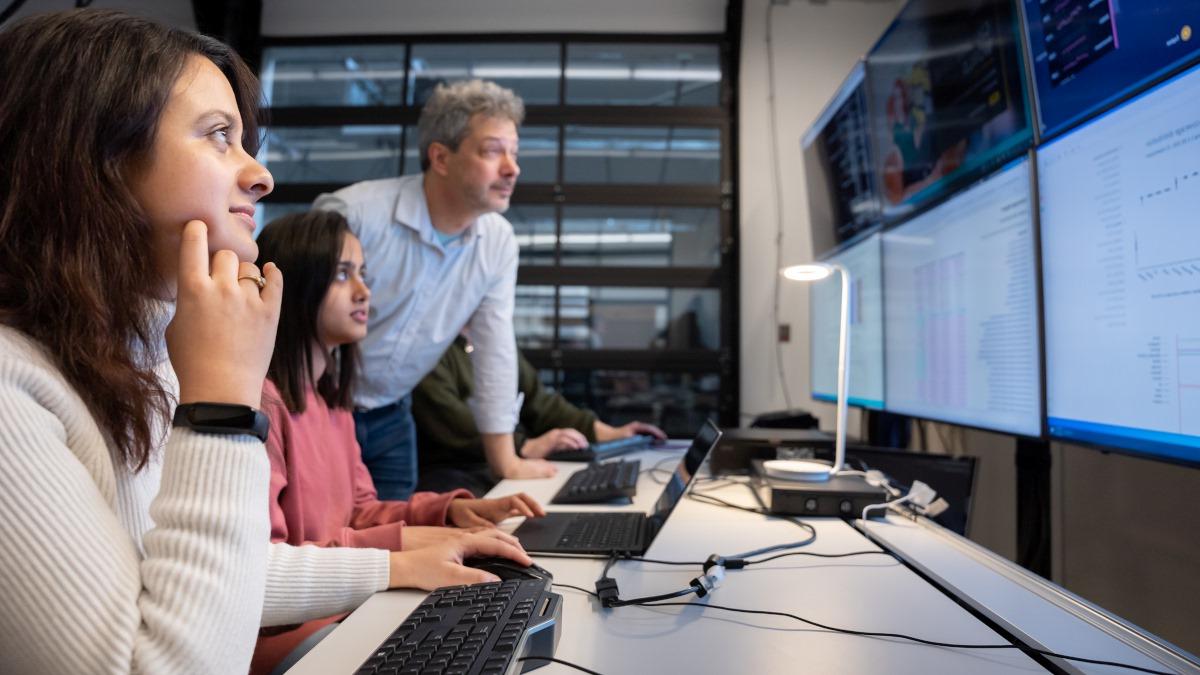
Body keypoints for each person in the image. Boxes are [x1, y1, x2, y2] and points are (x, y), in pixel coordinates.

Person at [0, 11, 528, 674]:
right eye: (219, 137)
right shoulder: (15, 389)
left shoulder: (144, 361)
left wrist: (397, 564)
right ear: (93, 161)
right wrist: (220, 406)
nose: (261, 175)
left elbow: (217, 568)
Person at [250, 210, 546, 672]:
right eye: (342, 274)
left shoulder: (333, 402)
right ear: (299, 285)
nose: (364, 291)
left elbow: (360, 512)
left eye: (362, 274)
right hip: (292, 632)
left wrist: (446, 513)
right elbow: (267, 573)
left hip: (353, 604)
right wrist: (421, 543)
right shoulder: (263, 405)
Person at [315, 79, 555, 500]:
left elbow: (494, 349)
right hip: (317, 407)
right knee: (315, 535)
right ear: (441, 157)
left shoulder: (497, 241)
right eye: (492, 150)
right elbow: (298, 323)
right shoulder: (355, 214)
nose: (512, 168)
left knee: (389, 534)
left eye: (514, 152)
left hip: (392, 415)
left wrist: (507, 463)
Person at [414, 335, 667, 495]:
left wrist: (613, 434)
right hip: (453, 470)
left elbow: (539, 401)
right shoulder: (430, 348)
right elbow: (453, 424)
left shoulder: (491, 340)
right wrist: (527, 446)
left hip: (504, 460)